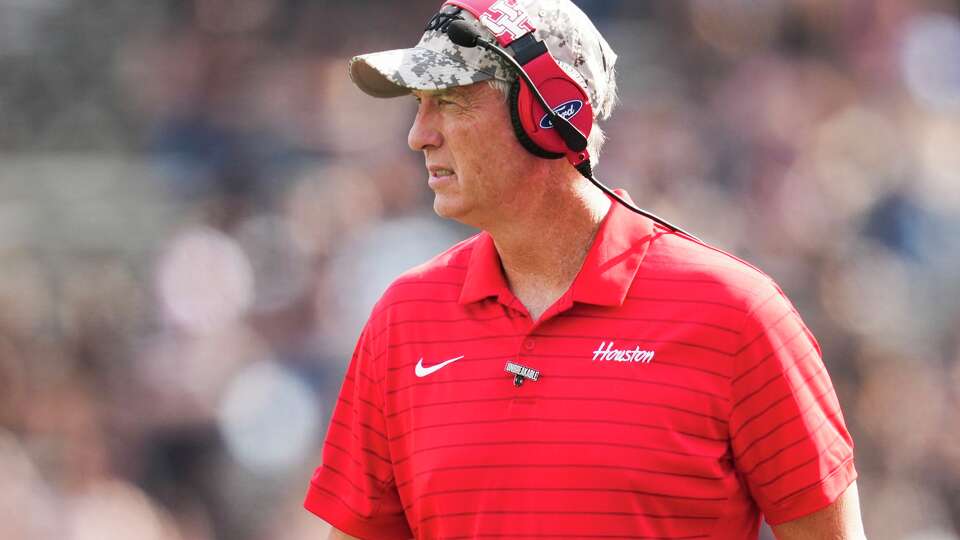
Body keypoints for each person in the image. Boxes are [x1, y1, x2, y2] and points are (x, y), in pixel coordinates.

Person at [304, 0, 866, 538]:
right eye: (418, 105)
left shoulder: (738, 316)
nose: (418, 134)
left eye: (449, 101)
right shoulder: (403, 320)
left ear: (546, 112)